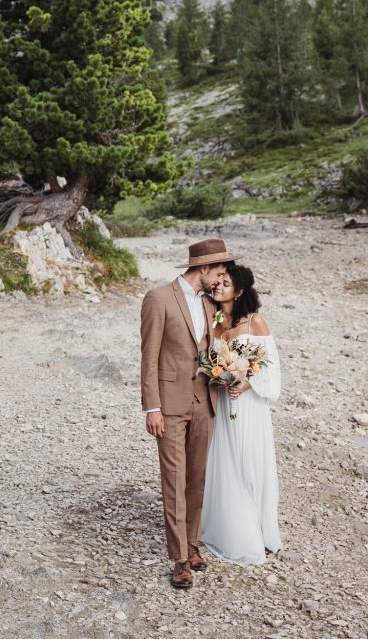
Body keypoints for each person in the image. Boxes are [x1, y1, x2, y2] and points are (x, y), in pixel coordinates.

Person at [140, 237, 234, 589]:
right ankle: (180, 559)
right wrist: (152, 407)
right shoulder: (159, 298)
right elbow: (149, 357)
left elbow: (216, 346)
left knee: (197, 479)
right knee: (174, 481)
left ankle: (193, 543)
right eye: (219, 271)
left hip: (204, 402)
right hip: (170, 404)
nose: (221, 278)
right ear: (203, 267)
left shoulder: (210, 303)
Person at [200, 263, 281, 565]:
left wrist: (245, 384)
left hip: (248, 405)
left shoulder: (254, 323)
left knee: (249, 460)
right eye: (217, 281)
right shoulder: (217, 322)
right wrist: (218, 376)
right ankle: (232, 528)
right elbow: (213, 360)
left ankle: (259, 529)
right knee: (226, 461)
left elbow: (270, 367)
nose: (218, 285)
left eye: (225, 282)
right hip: (223, 403)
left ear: (240, 290)